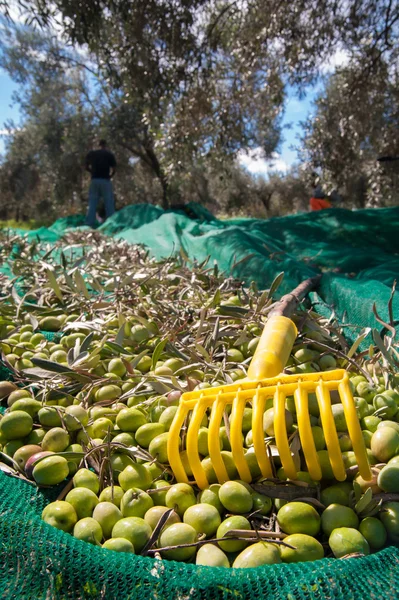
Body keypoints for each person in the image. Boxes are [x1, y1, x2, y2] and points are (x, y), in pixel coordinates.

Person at [85, 139, 116, 227]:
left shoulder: (92, 154)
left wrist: (92, 172)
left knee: (92, 203)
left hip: (94, 180)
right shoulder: (109, 154)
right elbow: (114, 170)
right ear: (105, 145)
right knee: (109, 203)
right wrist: (110, 176)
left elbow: (86, 167)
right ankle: (112, 224)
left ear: (98, 145)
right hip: (105, 180)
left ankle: (89, 224)